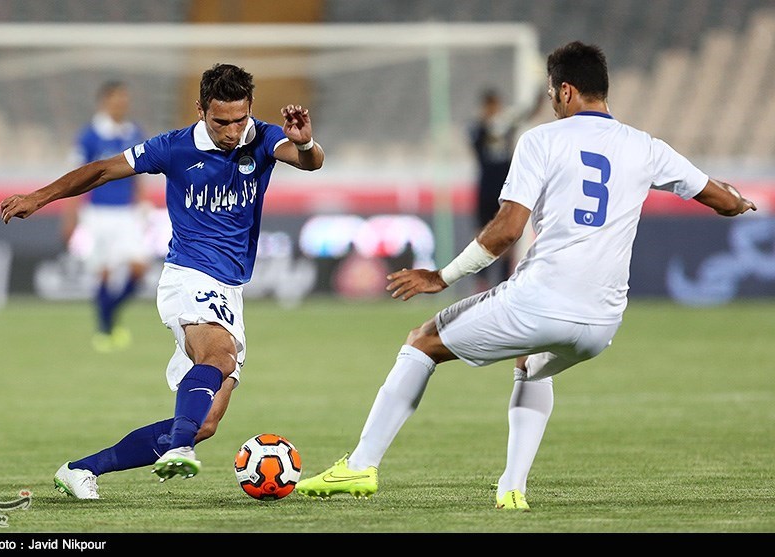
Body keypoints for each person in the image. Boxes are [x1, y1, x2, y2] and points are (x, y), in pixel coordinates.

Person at [294, 41, 756, 510]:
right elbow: (720, 198)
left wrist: (441, 276)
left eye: (554, 94)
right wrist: (739, 201)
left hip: (541, 300)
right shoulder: (647, 147)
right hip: (601, 324)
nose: (552, 103)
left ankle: (360, 466)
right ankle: (512, 488)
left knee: (421, 343)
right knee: (532, 364)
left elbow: (506, 231)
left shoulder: (541, 140)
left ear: (567, 91)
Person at [0, 63, 324, 499]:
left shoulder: (261, 138)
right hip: (189, 275)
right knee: (219, 356)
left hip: (230, 288)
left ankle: (81, 470)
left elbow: (308, 161)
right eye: (220, 121)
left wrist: (306, 144)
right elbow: (100, 170)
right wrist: (39, 197)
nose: (231, 131)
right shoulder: (172, 148)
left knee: (206, 421)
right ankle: (181, 448)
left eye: (239, 119)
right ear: (200, 110)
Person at [62, 81, 150, 352]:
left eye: (124, 99)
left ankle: (108, 321)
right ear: (105, 102)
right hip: (97, 213)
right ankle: (105, 331)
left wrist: (143, 201)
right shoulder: (89, 136)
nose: (121, 104)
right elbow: (75, 178)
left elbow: (140, 173)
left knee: (139, 268)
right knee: (103, 274)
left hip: (127, 213)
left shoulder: (134, 132)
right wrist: (70, 216)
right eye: (116, 99)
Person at [468, 87, 545, 291]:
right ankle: (481, 283)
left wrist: (539, 97)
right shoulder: (477, 129)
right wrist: (494, 126)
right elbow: (482, 141)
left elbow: (527, 114)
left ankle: (503, 285)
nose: (494, 110)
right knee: (482, 235)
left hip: (505, 189)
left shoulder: (506, 126)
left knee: (506, 238)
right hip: (485, 189)